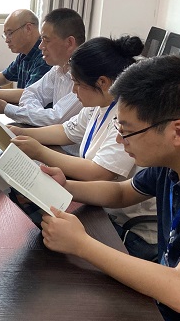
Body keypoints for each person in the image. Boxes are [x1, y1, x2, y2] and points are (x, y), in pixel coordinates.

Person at [39, 56, 180, 321]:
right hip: (171, 308)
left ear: (178, 131)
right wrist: (64, 186)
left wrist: (82, 244)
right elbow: (122, 192)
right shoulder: (177, 158)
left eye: (126, 131)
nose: (121, 141)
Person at [9, 36, 157, 260]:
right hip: (102, 206)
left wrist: (39, 151)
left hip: (128, 230)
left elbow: (99, 172)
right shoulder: (98, 105)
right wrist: (18, 132)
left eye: (77, 83)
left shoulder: (128, 118)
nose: (74, 90)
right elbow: (65, 131)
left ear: (103, 82)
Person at [0, 8, 86, 127]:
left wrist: (8, 109)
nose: (41, 46)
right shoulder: (58, 69)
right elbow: (30, 93)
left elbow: (55, 118)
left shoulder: (86, 78)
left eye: (46, 40)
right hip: (46, 132)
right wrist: (34, 113)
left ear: (69, 43)